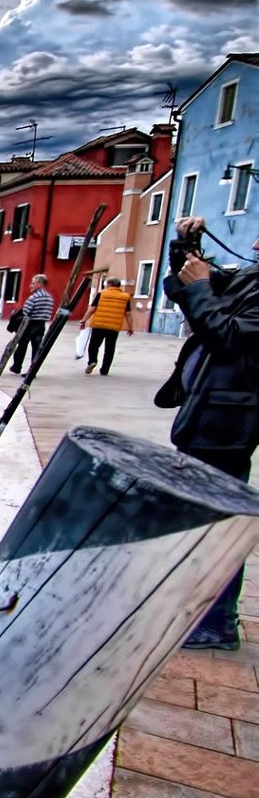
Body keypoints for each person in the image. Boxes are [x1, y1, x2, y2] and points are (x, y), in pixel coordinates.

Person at [161, 215, 259, 650]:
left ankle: (217, 621)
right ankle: (195, 608)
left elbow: (225, 334)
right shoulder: (253, 279)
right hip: (209, 415)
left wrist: (201, 286)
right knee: (195, 516)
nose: (255, 242)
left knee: (215, 520)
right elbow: (187, 291)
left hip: (228, 425)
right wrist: (186, 248)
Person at [81, 276, 133, 375]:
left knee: (93, 346)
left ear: (109, 284)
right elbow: (128, 314)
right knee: (110, 348)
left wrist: (83, 320)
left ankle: (92, 361)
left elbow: (92, 309)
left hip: (99, 325)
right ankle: (105, 370)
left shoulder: (101, 294)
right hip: (114, 327)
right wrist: (131, 327)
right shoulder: (125, 297)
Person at [9, 274, 55, 374]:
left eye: (33, 283)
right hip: (41, 325)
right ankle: (32, 370)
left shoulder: (33, 298)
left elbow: (26, 312)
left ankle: (17, 366)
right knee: (36, 348)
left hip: (29, 325)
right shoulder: (50, 298)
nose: (31, 285)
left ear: (40, 284)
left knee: (22, 347)